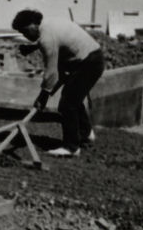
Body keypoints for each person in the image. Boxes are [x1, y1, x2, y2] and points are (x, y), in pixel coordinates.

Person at [12, 9, 105, 157]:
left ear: (33, 24)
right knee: (73, 98)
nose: (25, 36)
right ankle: (86, 134)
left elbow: (51, 71)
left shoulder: (46, 38)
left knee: (67, 104)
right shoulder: (48, 24)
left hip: (88, 63)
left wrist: (43, 96)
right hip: (91, 57)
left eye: (25, 31)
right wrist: (33, 47)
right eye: (22, 33)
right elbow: (56, 40)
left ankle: (71, 147)